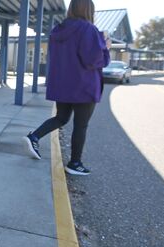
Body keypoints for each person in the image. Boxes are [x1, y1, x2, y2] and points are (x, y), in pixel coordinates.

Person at [22, 0, 110, 176]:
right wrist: (105, 48)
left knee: (61, 117)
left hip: (63, 85)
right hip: (84, 86)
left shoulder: (58, 30)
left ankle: (34, 137)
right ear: (89, 10)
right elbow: (94, 60)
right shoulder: (88, 29)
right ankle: (74, 163)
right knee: (81, 125)